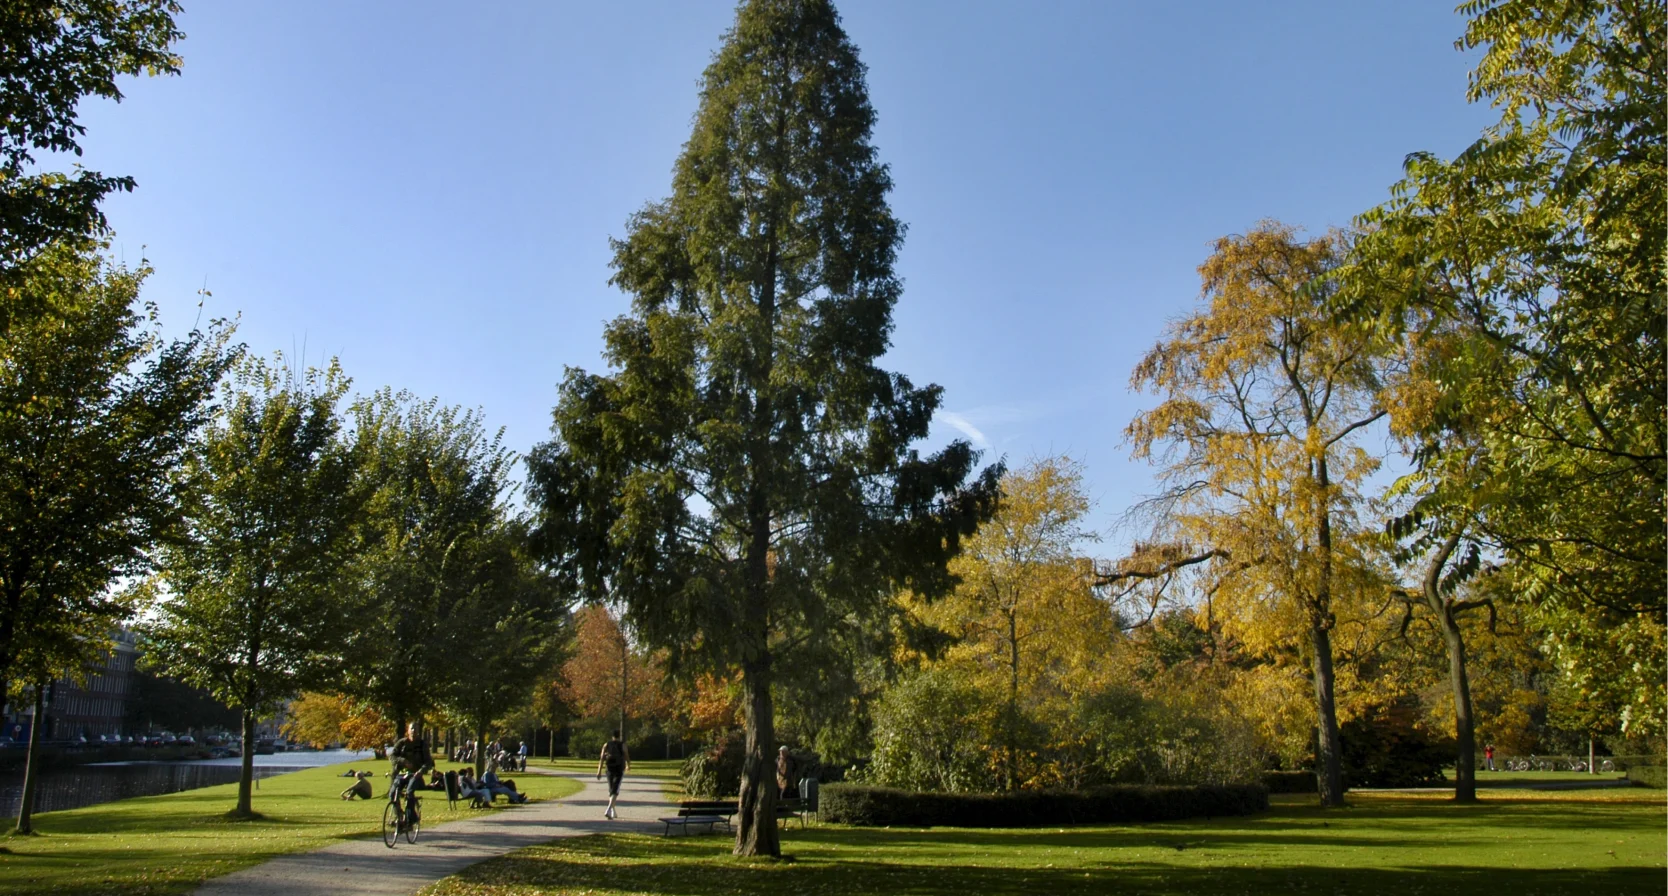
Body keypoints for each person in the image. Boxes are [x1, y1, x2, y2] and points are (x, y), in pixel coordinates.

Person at [390, 723, 435, 823]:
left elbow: (428, 762)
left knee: (409, 792)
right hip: (401, 774)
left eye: (416, 729)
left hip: (415, 775)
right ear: (408, 730)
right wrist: (403, 761)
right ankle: (399, 816)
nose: (413, 731)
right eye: (412, 728)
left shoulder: (422, 744)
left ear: (418, 731)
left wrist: (421, 771)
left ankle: (410, 818)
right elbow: (392, 756)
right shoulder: (401, 743)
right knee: (392, 794)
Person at [596, 730, 630, 819]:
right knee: (615, 790)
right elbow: (626, 755)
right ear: (619, 736)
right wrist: (628, 765)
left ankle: (612, 811)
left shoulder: (606, 744)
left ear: (612, 736)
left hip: (609, 769)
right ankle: (608, 809)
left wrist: (599, 771)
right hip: (619, 769)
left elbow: (602, 758)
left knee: (611, 789)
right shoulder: (622, 745)